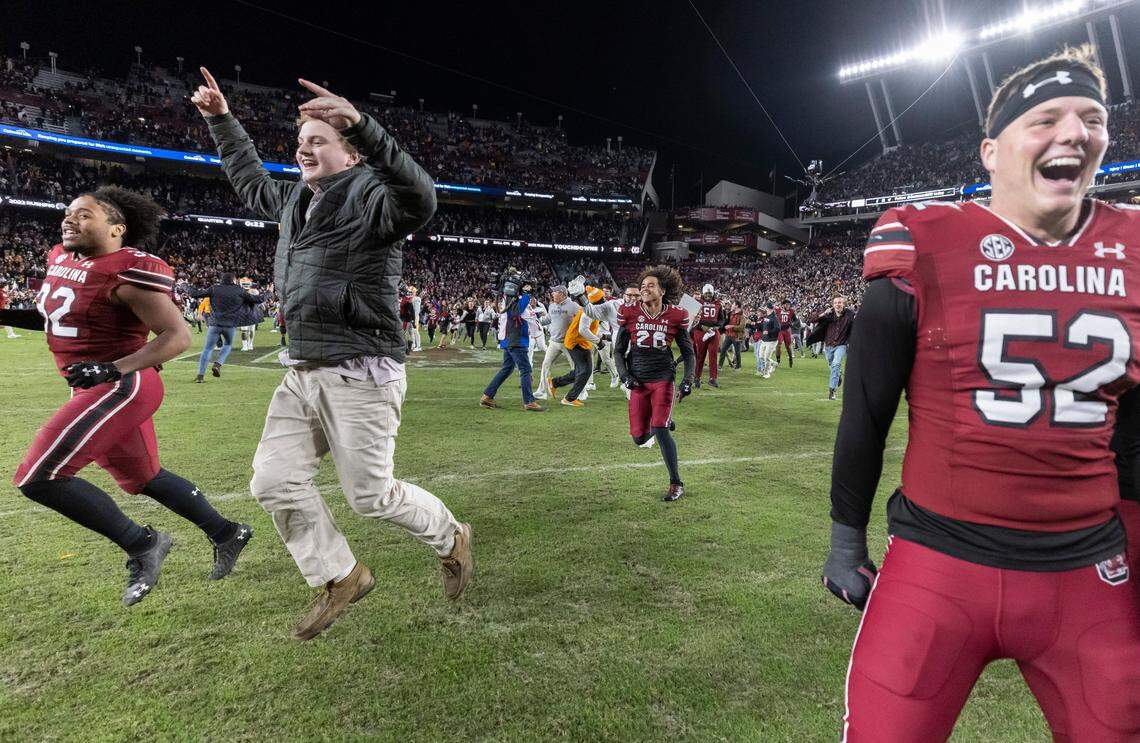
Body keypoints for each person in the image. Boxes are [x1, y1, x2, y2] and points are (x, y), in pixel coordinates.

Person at [822, 46, 1140, 742]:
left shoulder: (1134, 246)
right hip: (938, 566)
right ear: (991, 151)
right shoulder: (926, 239)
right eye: (1047, 118)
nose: (1075, 133)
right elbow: (867, 405)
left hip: (1087, 569)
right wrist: (847, 535)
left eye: (1092, 119)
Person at [192, 68, 472, 641]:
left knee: (371, 496)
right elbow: (250, 182)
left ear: (351, 153)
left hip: (360, 369)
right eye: (301, 142)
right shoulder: (298, 197)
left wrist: (366, 127)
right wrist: (221, 119)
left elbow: (421, 198)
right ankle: (341, 575)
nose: (304, 148)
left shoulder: (372, 194)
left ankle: (451, 537)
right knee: (272, 480)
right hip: (304, 368)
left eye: (319, 139)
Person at [1, 187, 251, 606]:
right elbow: (57, 318)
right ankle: (227, 531)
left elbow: (178, 336)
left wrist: (113, 368)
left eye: (84, 215)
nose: (69, 220)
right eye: (68, 213)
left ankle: (142, 543)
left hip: (122, 383)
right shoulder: (59, 258)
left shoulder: (125, 270)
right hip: (95, 383)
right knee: (142, 478)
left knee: (38, 477)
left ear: (117, 229)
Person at [611, 265, 695, 501]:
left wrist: (687, 380)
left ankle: (675, 483)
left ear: (662, 290)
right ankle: (664, 423)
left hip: (662, 379)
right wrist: (624, 375)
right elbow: (618, 351)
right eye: (643, 286)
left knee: (658, 428)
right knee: (639, 437)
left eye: (650, 285)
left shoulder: (676, 315)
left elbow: (688, 352)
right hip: (637, 380)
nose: (645, 289)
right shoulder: (629, 313)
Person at [479, 274, 544, 412]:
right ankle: (529, 401)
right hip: (516, 339)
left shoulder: (508, 297)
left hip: (509, 339)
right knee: (525, 369)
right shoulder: (514, 299)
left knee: (507, 369)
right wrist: (526, 294)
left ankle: (487, 396)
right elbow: (516, 312)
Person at [185, 272, 265, 383]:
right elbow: (258, 300)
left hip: (214, 324)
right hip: (230, 325)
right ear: (233, 280)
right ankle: (218, 364)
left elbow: (195, 294)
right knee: (227, 345)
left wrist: (186, 286)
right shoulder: (239, 290)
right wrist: (268, 293)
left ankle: (200, 376)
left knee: (207, 349)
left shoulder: (214, 288)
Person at [550, 287, 602, 407]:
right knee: (585, 370)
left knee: (580, 370)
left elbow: (590, 329)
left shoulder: (591, 309)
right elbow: (583, 330)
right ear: (598, 300)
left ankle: (555, 383)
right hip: (577, 342)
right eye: (602, 298)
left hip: (578, 341)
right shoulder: (591, 311)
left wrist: (602, 337)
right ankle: (569, 398)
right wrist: (599, 341)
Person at [533, 285, 576, 400]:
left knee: (576, 369)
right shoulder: (552, 306)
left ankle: (579, 391)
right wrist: (535, 319)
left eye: (554, 292)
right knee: (545, 365)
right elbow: (547, 319)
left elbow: (582, 319)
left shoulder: (573, 306)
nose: (552, 294)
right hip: (554, 342)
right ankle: (541, 391)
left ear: (562, 293)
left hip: (568, 343)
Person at [808, 295, 853, 400]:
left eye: (840, 302)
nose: (838, 304)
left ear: (844, 304)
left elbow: (856, 324)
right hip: (828, 345)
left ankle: (832, 391)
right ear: (833, 304)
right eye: (836, 302)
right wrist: (824, 313)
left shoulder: (849, 314)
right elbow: (812, 319)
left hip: (841, 345)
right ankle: (838, 377)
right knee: (832, 365)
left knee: (836, 364)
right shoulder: (828, 314)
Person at [690, 283, 723, 388]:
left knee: (713, 354)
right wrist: (701, 326)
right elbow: (692, 318)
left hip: (713, 332)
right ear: (703, 293)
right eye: (706, 293)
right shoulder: (697, 303)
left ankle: (713, 378)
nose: (708, 295)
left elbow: (722, 319)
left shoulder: (718, 303)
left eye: (710, 293)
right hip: (700, 331)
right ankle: (697, 377)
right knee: (700, 356)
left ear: (713, 293)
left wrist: (716, 327)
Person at [718, 300, 745, 370]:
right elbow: (725, 321)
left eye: (733, 304)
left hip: (736, 336)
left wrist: (731, 326)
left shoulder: (742, 316)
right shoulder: (731, 313)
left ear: (736, 306)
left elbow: (742, 327)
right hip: (729, 335)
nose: (732, 305)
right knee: (723, 350)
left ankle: (738, 366)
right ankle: (720, 366)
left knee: (737, 352)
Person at [755, 304, 780, 378]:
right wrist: (756, 324)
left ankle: (767, 373)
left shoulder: (774, 318)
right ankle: (773, 363)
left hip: (771, 341)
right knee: (761, 356)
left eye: (766, 308)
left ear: (769, 309)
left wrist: (769, 332)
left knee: (766, 357)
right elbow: (763, 327)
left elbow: (778, 329)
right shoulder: (766, 317)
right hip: (764, 340)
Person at [773, 299, 796, 367]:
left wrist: (791, 324)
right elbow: (772, 307)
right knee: (778, 344)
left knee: (788, 346)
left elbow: (795, 320)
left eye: (789, 304)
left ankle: (790, 359)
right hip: (780, 330)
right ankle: (778, 361)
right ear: (783, 305)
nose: (788, 306)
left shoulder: (791, 311)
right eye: (787, 304)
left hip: (787, 330)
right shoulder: (778, 310)